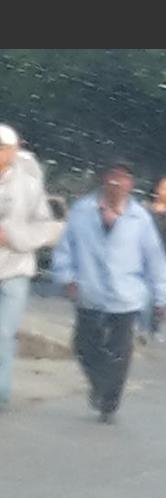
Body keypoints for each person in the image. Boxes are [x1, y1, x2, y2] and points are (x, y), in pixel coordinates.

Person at [52, 160, 166, 423]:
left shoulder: (139, 218)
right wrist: (66, 278)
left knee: (119, 352)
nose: (117, 183)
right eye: (113, 177)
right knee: (83, 345)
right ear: (104, 179)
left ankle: (109, 400)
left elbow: (155, 260)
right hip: (89, 291)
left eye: (124, 178)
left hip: (125, 295)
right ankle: (98, 385)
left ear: (131, 184)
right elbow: (65, 248)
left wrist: (161, 298)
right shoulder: (83, 211)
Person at [0, 124, 64, 411]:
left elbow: (48, 227)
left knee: (3, 332)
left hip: (15, 269)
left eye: (3, 148)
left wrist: (13, 238)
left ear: (13, 151)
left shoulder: (28, 184)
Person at [137, 176, 166, 345]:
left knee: (161, 298)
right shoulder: (145, 210)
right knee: (145, 295)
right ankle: (142, 328)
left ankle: (156, 328)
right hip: (146, 258)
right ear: (156, 189)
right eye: (163, 188)